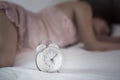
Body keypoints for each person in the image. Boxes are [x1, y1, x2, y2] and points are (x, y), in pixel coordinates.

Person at [0, 1, 120, 67]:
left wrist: (111, 39)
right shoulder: (83, 7)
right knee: (4, 62)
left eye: (108, 33)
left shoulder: (79, 36)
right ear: (100, 16)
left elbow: (100, 41)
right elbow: (93, 45)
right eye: (106, 26)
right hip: (19, 21)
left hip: (21, 37)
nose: (106, 31)